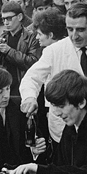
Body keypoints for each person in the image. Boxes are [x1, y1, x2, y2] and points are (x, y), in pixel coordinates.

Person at [19, 2, 87, 149]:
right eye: (70, 29)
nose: (74, 36)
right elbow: (31, 78)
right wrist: (30, 98)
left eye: (80, 29)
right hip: (63, 129)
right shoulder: (54, 51)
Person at [31, 8, 67, 158]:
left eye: (40, 34)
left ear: (51, 35)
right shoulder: (55, 49)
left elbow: (33, 76)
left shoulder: (51, 51)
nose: (37, 38)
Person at [0, 1, 40, 96]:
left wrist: (9, 51)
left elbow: (32, 62)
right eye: (4, 19)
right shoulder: (3, 36)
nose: (6, 23)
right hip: (5, 86)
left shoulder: (32, 36)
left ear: (19, 17)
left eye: (9, 18)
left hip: (24, 86)